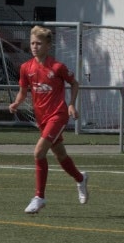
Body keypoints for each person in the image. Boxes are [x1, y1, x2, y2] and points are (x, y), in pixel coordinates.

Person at [7, 25, 89, 214]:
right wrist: (16, 103)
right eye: (32, 43)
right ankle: (80, 178)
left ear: (48, 45)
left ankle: (39, 197)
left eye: (39, 43)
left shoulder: (57, 67)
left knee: (38, 152)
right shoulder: (26, 68)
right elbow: (22, 92)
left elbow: (74, 83)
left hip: (58, 115)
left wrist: (71, 104)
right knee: (60, 154)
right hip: (41, 118)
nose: (34, 47)